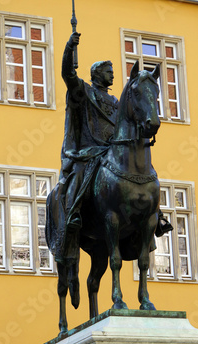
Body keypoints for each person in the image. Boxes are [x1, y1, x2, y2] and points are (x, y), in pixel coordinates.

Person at [59, 31, 118, 231]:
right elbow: (68, 74)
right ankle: (73, 211)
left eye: (112, 71)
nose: (112, 74)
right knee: (79, 172)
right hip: (90, 150)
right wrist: (69, 47)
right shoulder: (84, 92)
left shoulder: (116, 101)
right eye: (108, 71)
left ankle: (155, 215)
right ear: (97, 74)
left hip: (113, 151)